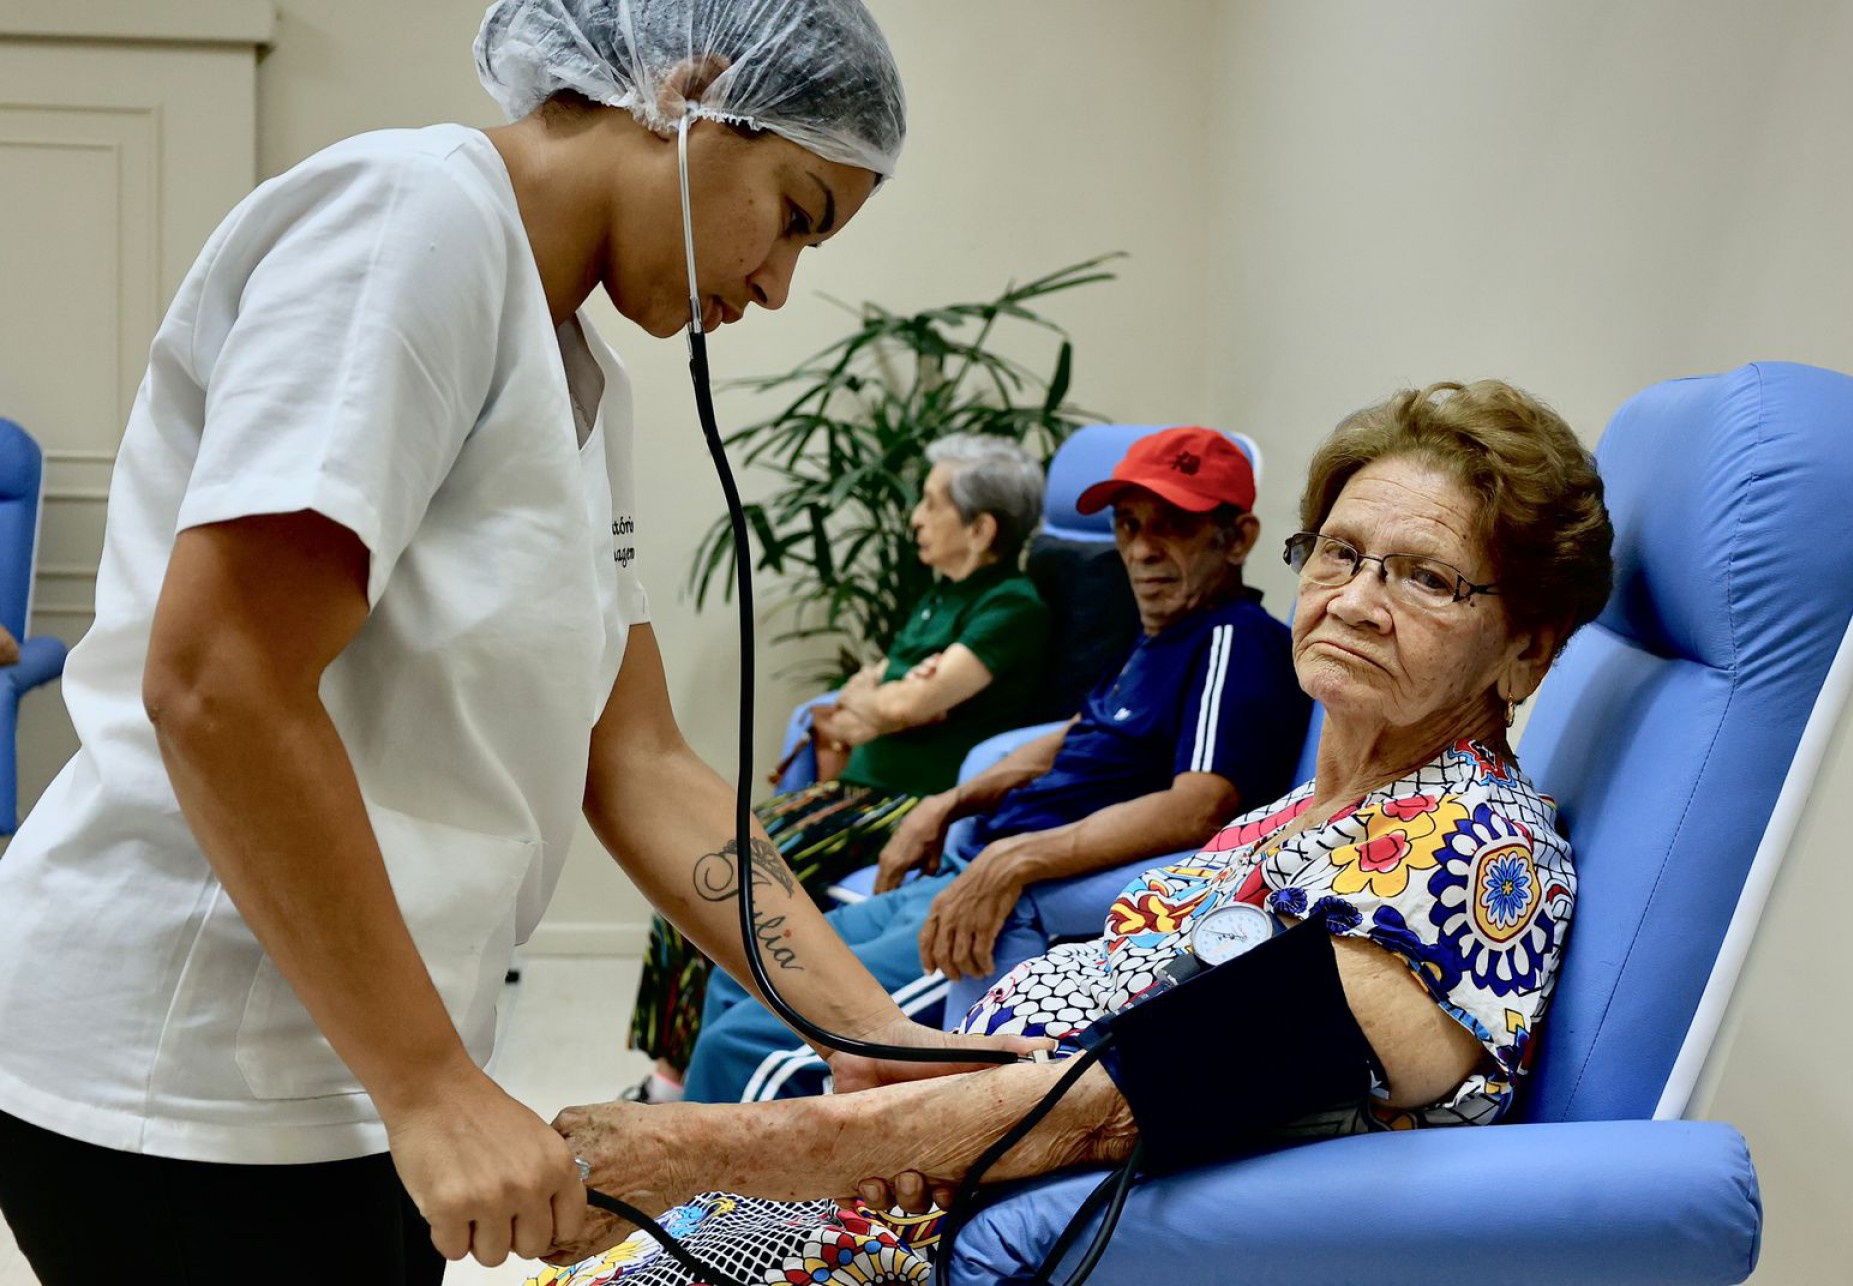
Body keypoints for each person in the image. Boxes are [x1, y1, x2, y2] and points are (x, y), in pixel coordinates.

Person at [0, 3, 1041, 1282]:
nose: (777, 281)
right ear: (689, 90)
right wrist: (433, 1085)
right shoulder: (412, 221)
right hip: (195, 1065)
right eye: (797, 210)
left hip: (362, 1062)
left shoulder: (576, 380)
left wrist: (877, 1033)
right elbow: (220, 680)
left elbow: (644, 759)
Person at [524, 378, 1616, 1284]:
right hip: (929, 1170)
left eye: (1425, 576)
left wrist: (702, 1149)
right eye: (1338, 552)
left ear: (1526, 650)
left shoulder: (1482, 850)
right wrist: (911, 1084)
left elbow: (1121, 1104)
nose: (1356, 599)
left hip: (976, 1232)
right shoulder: (1298, 811)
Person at [679, 425, 1314, 1105]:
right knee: (744, 958)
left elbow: (1202, 806)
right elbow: (1075, 736)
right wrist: (947, 804)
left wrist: (1014, 860)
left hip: (1012, 911)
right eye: (1128, 526)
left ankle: (699, 1198)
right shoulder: (1156, 640)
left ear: (1238, 538)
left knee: (743, 1040)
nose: (1141, 549)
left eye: (1173, 526)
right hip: (962, 871)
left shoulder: (1233, 642)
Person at [630, 433, 1049, 1103]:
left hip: (898, 801)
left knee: (718, 876)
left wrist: (885, 703)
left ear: (981, 527)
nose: (915, 516)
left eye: (932, 503)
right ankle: (670, 1075)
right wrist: (882, 703)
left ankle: (673, 1085)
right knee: (693, 871)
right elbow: (866, 697)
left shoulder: (1011, 607)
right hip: (855, 788)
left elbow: (902, 700)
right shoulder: (938, 598)